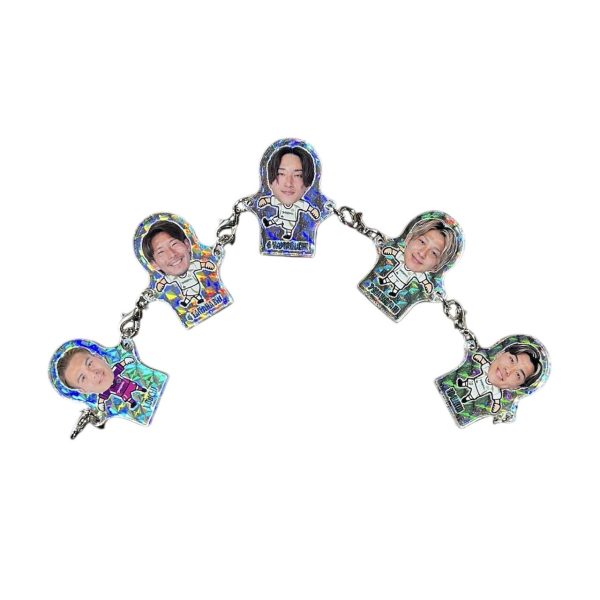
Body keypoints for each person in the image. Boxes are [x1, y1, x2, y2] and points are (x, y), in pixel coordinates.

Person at [142, 221, 216, 307]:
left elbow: (202, 264)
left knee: (195, 294)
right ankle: (191, 301)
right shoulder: (171, 277)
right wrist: (160, 284)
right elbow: (164, 281)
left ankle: (198, 299)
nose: (172, 254)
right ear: (154, 264)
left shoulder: (193, 266)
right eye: (161, 252)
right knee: (189, 296)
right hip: (186, 291)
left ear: (187, 245)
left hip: (196, 288)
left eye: (174, 244)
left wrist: (207, 264)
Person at [377, 219, 458, 297]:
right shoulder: (401, 258)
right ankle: (384, 281)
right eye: (422, 242)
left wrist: (427, 284)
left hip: (401, 282)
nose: (422, 253)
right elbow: (395, 253)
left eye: (434, 253)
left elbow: (424, 281)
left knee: (398, 286)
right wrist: (391, 250)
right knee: (390, 277)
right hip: (394, 274)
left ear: (436, 266)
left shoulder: (419, 274)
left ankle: (394, 292)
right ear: (409, 239)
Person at [455, 344, 542, 414]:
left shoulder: (496, 391)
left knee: (472, 396)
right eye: (512, 360)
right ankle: (463, 383)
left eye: (518, 375)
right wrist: (480, 359)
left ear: (516, 387)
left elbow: (496, 400)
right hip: (474, 382)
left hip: (477, 393)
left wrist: (496, 405)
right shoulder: (487, 368)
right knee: (469, 382)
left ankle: (466, 399)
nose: (508, 370)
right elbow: (483, 362)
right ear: (500, 354)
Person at [258, 147, 320, 240]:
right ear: (269, 180)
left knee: (289, 228)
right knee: (276, 220)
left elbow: (308, 208)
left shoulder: (300, 204)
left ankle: (288, 234)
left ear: (308, 184)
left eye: (298, 175)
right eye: (281, 174)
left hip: (291, 222)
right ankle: (269, 223)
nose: (288, 183)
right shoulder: (276, 201)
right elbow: (270, 200)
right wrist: (265, 201)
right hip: (280, 218)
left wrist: (313, 211)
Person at [57, 347, 146, 411]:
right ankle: (132, 402)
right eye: (83, 378)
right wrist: (101, 404)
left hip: (129, 384)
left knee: (134, 386)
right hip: (124, 395)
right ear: (84, 391)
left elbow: (120, 365)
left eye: (89, 363)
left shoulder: (117, 371)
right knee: (127, 398)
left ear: (99, 357)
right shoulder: (105, 394)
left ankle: (142, 389)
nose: (93, 373)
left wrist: (125, 361)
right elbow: (102, 399)